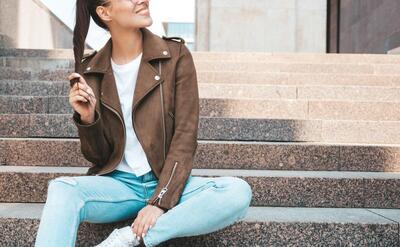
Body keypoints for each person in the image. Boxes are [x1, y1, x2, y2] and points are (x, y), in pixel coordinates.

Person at [34, 0, 252, 246]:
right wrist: (88, 118)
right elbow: (98, 156)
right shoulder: (90, 69)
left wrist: (160, 201)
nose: (142, 0)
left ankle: (128, 238)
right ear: (105, 12)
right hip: (120, 187)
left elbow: (185, 136)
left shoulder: (175, 56)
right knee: (63, 188)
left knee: (237, 192)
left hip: (165, 179)